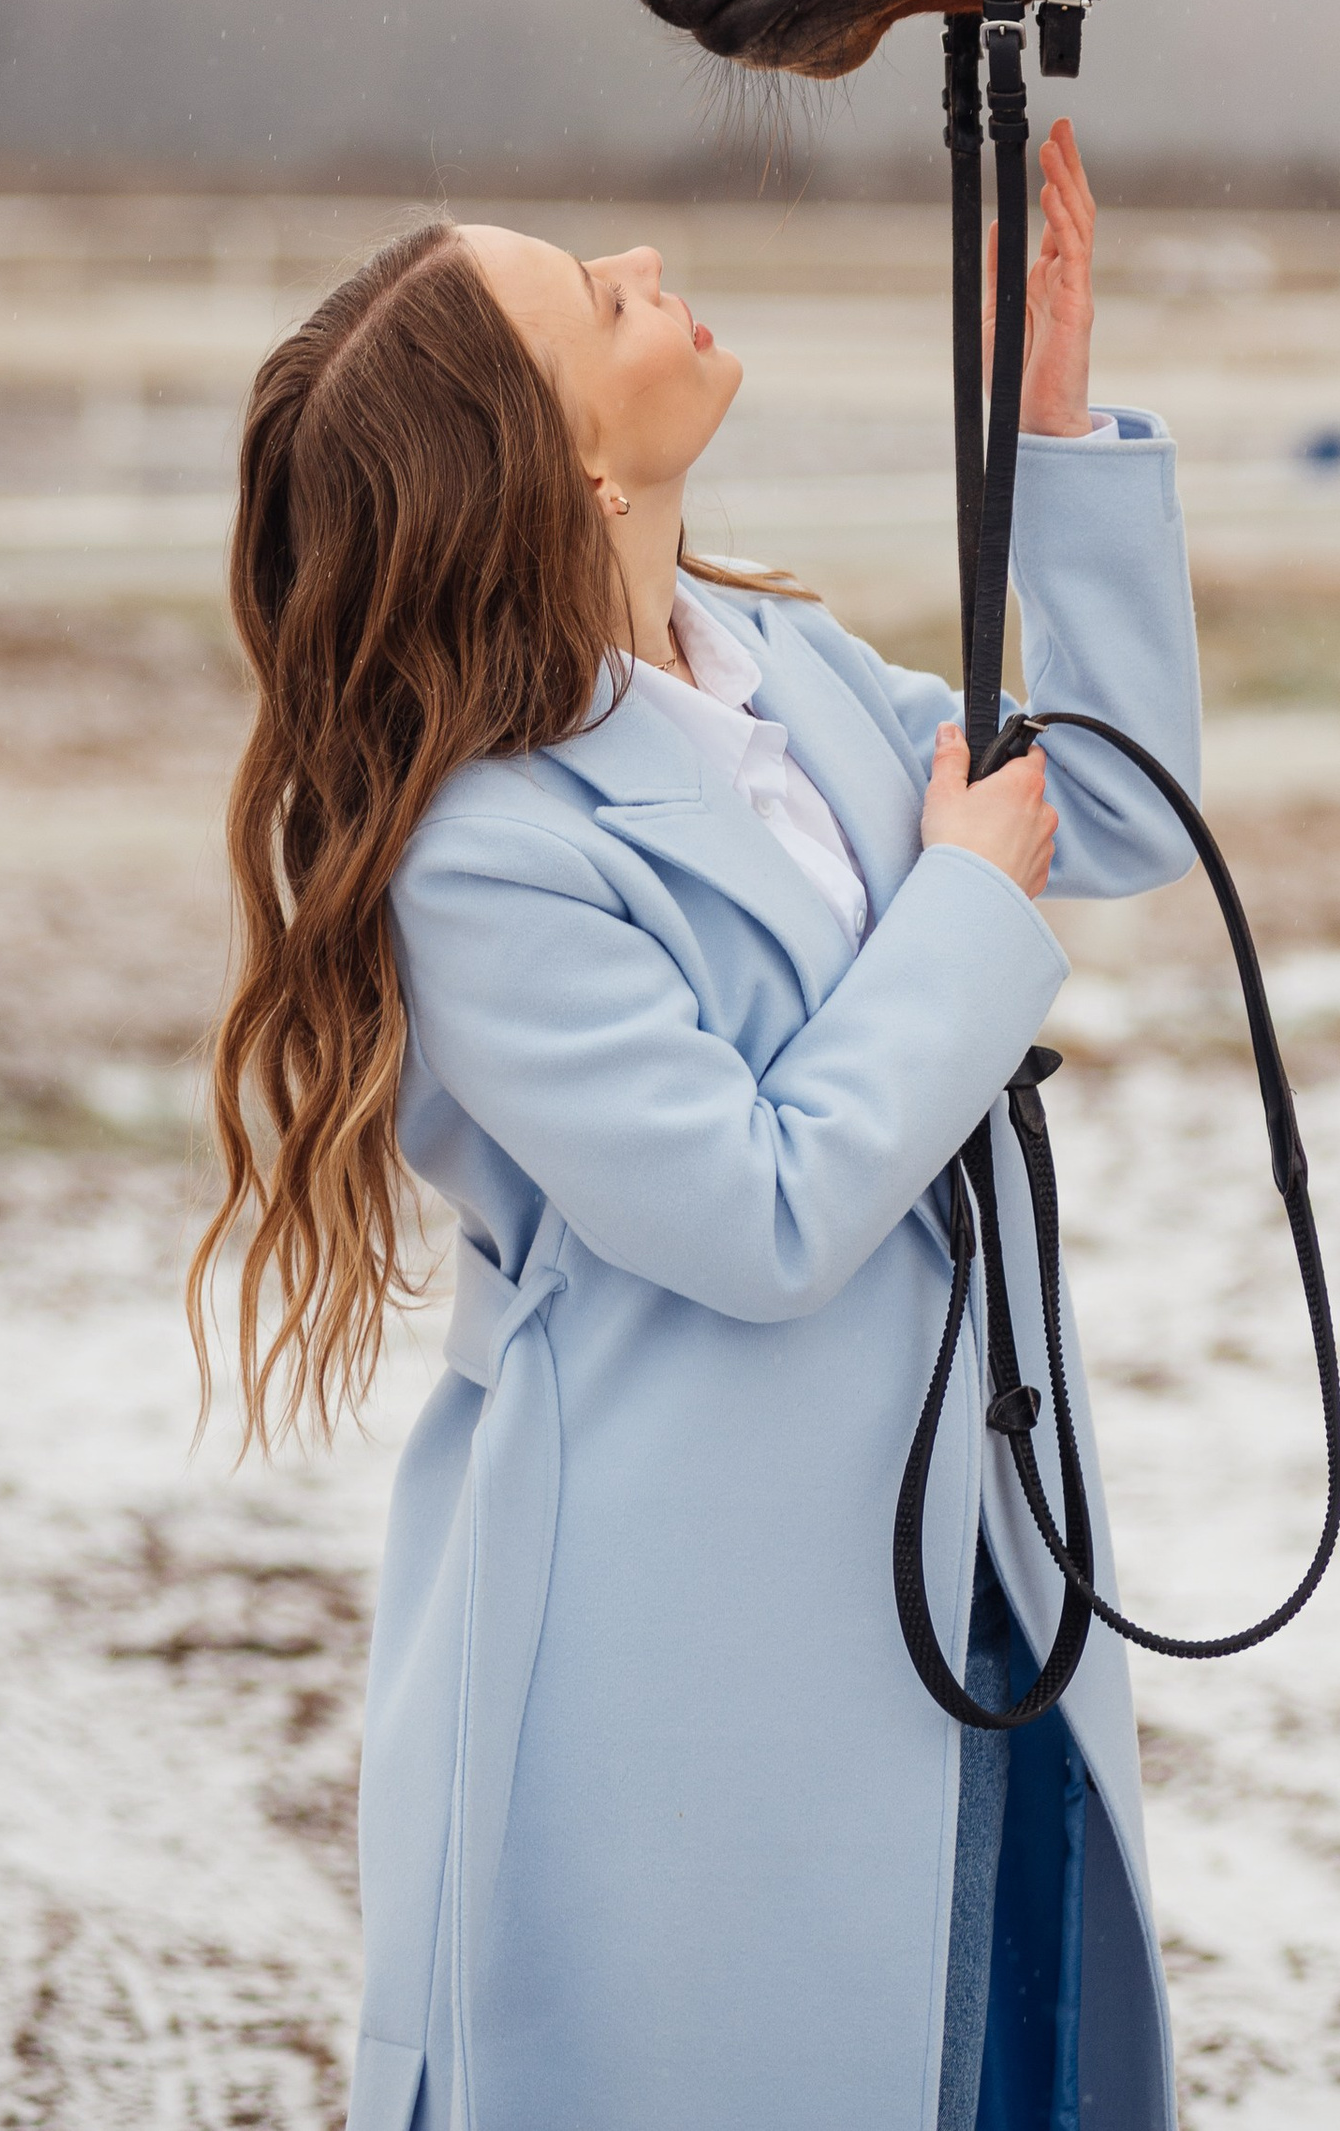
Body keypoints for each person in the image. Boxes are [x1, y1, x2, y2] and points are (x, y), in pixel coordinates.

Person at [194, 120, 1199, 2131]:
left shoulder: (790, 673)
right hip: (683, 1638)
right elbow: (754, 1209)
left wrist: (1055, 433)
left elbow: (1107, 811)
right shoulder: (486, 857)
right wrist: (958, 910)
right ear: (564, 457)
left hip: (958, 1543)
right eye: (595, 296)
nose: (645, 261)